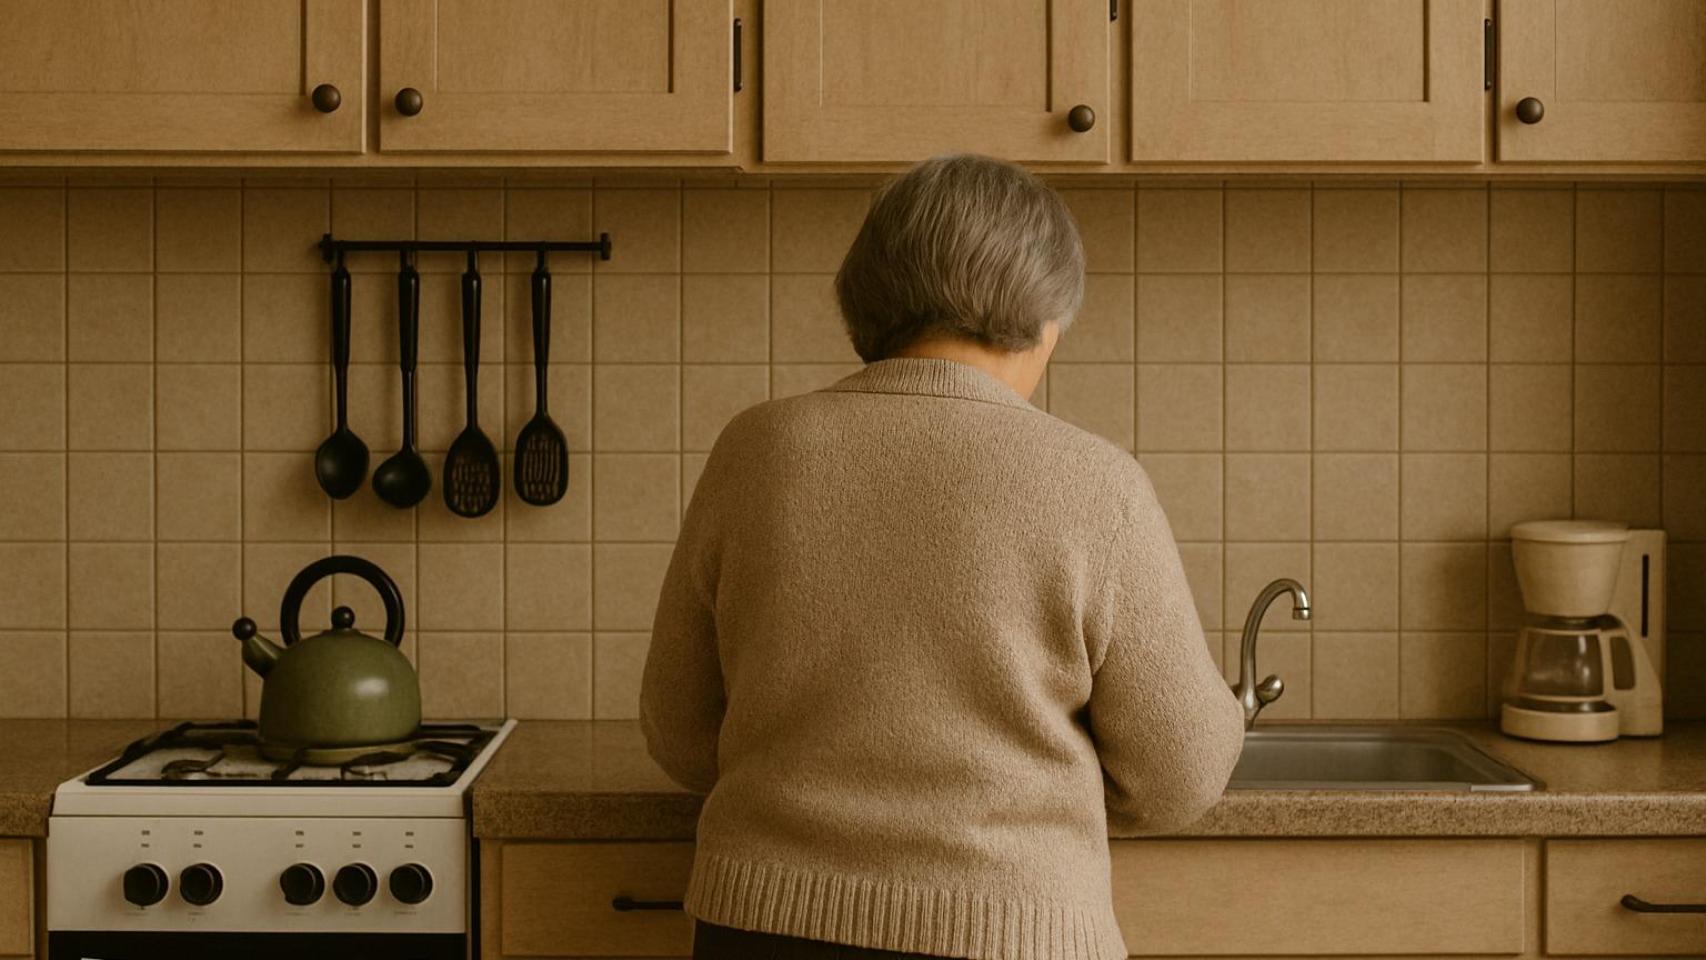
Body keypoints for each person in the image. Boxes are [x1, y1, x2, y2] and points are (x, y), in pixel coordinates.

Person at [641, 153, 1244, 960]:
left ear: (867, 296)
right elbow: (1183, 775)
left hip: (762, 922)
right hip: (1010, 931)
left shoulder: (757, 448)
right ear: (1046, 317)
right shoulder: (1097, 484)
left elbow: (678, 730)